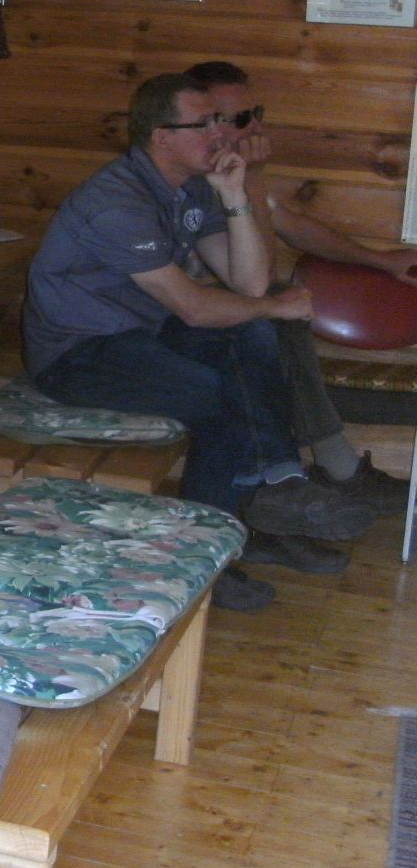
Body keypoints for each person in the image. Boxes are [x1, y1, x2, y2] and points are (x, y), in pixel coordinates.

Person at [22, 73, 375, 611]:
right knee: (219, 395)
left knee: (253, 337)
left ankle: (270, 492)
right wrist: (273, 305)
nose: (220, 133)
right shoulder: (117, 200)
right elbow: (194, 306)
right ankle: (204, 559)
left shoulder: (193, 186)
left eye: (218, 120)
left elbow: (248, 284)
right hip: (78, 354)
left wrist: (234, 195)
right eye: (203, 124)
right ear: (161, 137)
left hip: (142, 332)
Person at [185, 60, 410, 521]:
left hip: (224, 325)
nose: (257, 127)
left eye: (257, 113)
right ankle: (328, 472)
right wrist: (254, 178)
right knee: (274, 313)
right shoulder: (197, 182)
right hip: (179, 328)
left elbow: (294, 227)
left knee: (277, 317)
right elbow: (258, 280)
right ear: (206, 124)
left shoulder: (230, 170)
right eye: (242, 118)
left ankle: (313, 479)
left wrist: (382, 260)